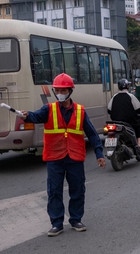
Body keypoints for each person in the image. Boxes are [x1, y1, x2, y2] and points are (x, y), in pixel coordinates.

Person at [18, 73, 106, 237]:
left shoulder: (80, 110)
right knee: (54, 191)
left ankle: (76, 219)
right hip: (55, 157)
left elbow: (92, 133)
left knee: (78, 189)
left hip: (74, 157)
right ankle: (56, 223)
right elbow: (35, 116)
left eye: (62, 90)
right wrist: (26, 115)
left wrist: (99, 153)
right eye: (57, 90)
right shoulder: (48, 109)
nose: (59, 93)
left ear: (70, 91)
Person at [107, 79, 140, 148]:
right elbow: (139, 110)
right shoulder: (131, 96)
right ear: (127, 86)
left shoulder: (114, 97)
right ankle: (139, 143)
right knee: (139, 125)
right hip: (130, 123)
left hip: (116, 122)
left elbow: (109, 110)